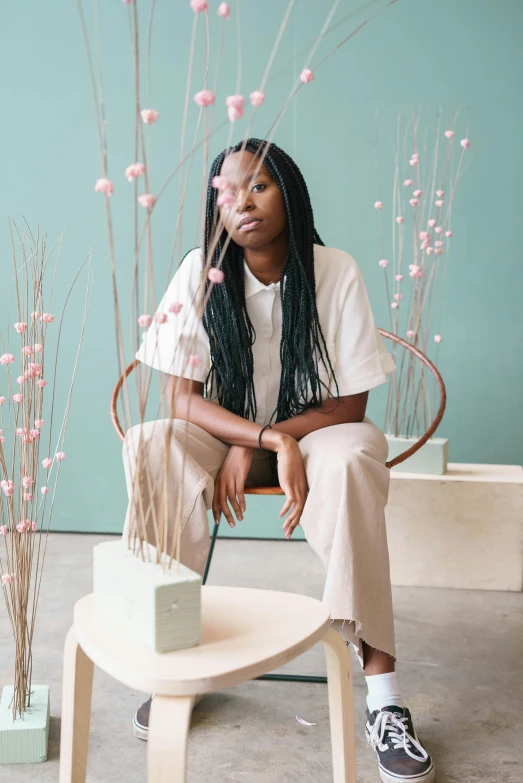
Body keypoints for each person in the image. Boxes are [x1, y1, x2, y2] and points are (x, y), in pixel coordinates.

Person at [122, 138, 435, 783]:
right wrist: (257, 440)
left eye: (258, 185)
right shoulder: (200, 271)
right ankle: (175, 659)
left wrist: (277, 438)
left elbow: (349, 403)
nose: (242, 201)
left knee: (351, 458)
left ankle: (384, 700)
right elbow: (180, 399)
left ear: (287, 192)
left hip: (317, 437)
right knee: (151, 440)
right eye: (227, 192)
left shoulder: (334, 270)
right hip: (234, 441)